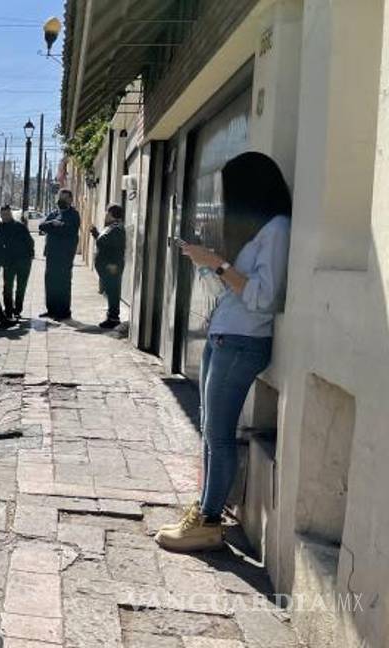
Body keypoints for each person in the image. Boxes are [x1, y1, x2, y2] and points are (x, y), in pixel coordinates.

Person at [155, 152, 292, 552]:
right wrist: (206, 264)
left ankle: (209, 521)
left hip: (242, 341)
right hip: (223, 336)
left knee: (218, 434)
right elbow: (233, 290)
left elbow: (263, 297)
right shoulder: (258, 232)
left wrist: (216, 264)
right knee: (209, 429)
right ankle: (204, 510)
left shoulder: (277, 229)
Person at [38, 189, 81, 320]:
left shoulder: (74, 214)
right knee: (50, 281)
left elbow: (70, 231)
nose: (61, 200)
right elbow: (42, 226)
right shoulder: (54, 213)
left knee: (63, 283)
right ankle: (51, 310)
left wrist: (57, 227)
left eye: (64, 198)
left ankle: (63, 312)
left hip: (65, 255)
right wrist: (53, 224)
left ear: (70, 199)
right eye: (60, 197)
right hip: (51, 253)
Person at [90, 204, 127, 329]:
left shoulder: (117, 229)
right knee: (110, 292)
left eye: (107, 213)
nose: (105, 215)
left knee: (113, 292)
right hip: (107, 266)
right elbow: (105, 243)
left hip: (112, 267)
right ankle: (111, 316)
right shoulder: (111, 227)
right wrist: (96, 234)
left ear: (111, 214)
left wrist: (113, 264)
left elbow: (117, 249)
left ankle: (113, 319)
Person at [0, 205, 35, 322]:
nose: (5, 217)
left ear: (11, 214)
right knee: (7, 287)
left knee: (21, 287)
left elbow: (30, 242)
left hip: (23, 261)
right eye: (3, 215)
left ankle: (18, 310)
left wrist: (30, 255)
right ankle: (8, 310)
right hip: (9, 262)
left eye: (7, 214)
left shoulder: (20, 227)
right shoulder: (0, 227)